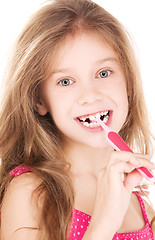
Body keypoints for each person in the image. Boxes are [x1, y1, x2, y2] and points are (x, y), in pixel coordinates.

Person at [0, 0, 155, 239]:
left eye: (103, 73)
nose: (90, 95)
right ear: (39, 100)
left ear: (129, 83)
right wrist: (104, 224)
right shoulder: (30, 194)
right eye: (65, 81)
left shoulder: (140, 202)